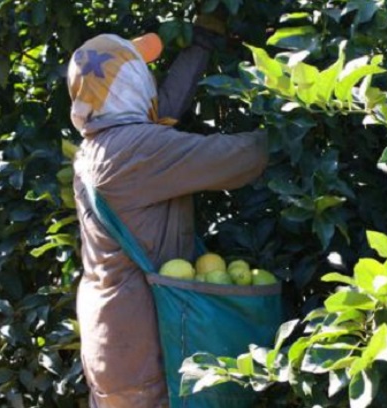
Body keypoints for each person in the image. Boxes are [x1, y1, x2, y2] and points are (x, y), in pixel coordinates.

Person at [66, 13, 268, 408]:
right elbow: (242, 158)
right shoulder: (135, 151)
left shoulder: (101, 144)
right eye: (140, 72)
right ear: (130, 86)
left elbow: (162, 113)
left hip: (112, 337)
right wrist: (302, 117)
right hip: (141, 349)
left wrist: (202, 45)